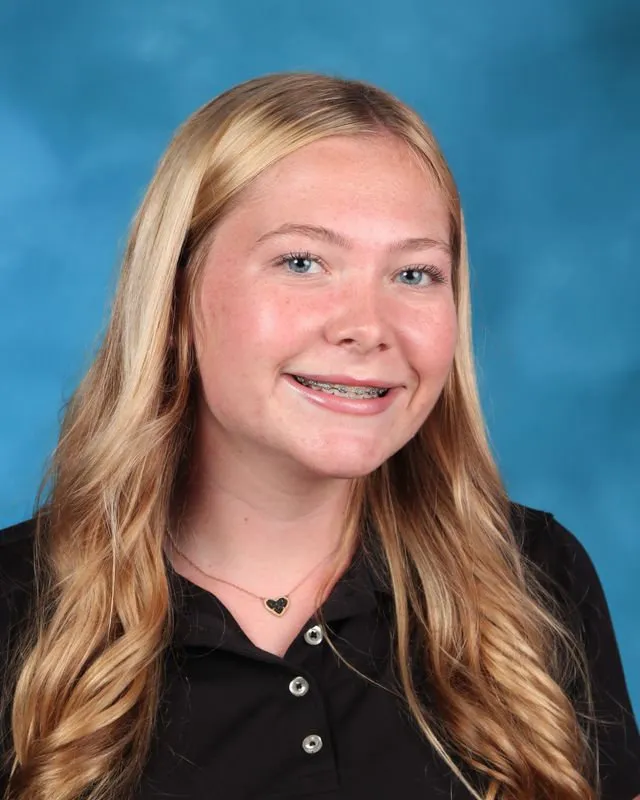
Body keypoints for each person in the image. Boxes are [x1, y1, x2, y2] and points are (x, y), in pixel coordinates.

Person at [0, 72, 637, 800]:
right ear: (176, 299)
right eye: (303, 262)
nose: (367, 326)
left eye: (415, 272)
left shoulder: (537, 575)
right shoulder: (17, 608)